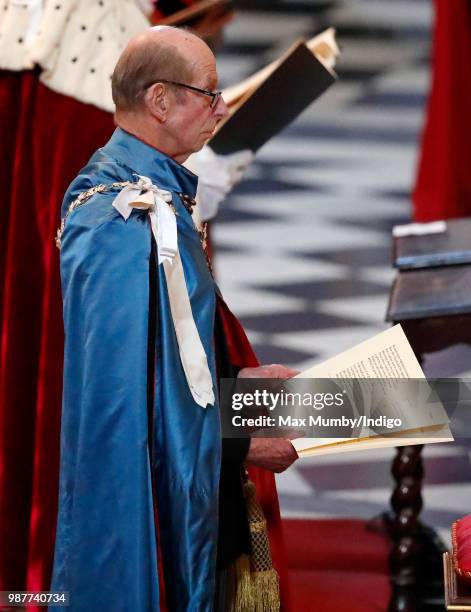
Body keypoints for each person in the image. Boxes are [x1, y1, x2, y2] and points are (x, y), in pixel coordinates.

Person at [51, 25, 298, 611]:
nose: (223, 106)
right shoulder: (117, 223)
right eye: (209, 93)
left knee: (424, 401)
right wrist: (239, 444)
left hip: (193, 472)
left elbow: (170, 358)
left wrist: (242, 386)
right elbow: (123, 410)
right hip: (149, 525)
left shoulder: (153, 194)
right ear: (160, 100)